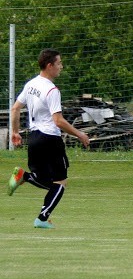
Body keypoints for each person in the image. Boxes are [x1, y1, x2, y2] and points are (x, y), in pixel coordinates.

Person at [7, 49, 91, 229]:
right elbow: (58, 121)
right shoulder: (52, 90)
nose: (61, 67)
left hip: (34, 138)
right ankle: (42, 219)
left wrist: (15, 132)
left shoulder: (31, 84)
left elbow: (14, 109)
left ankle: (24, 177)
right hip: (50, 139)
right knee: (61, 182)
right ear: (49, 65)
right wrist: (80, 134)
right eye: (59, 63)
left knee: (46, 180)